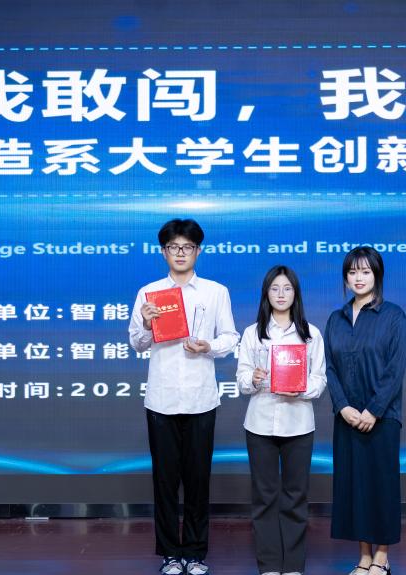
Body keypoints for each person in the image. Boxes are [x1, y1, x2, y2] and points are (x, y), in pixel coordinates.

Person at [129, 219, 239, 575]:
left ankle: (195, 553)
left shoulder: (215, 291)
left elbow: (231, 337)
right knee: (164, 481)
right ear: (163, 252)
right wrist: (147, 324)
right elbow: (136, 343)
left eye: (187, 247)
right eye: (174, 247)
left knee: (197, 479)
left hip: (200, 398)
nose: (180, 253)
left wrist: (209, 346)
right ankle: (169, 554)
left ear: (198, 251)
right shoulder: (148, 293)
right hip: (161, 398)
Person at [324, 247, 406, 575]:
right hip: (347, 417)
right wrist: (343, 406)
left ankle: (382, 557)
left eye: (365, 271)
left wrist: (373, 410)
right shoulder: (336, 319)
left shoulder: (394, 316)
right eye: (352, 272)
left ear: (377, 275)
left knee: (381, 486)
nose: (358, 278)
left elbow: (395, 370)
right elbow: (329, 368)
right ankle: (363, 556)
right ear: (345, 278)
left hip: (382, 417)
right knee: (355, 487)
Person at [236, 265, 327, 575]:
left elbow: (320, 380)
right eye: (274, 288)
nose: (280, 294)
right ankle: (269, 565)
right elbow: (241, 379)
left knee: (295, 496)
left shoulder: (311, 333)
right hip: (259, 424)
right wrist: (254, 378)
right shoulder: (253, 333)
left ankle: (293, 566)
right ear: (266, 294)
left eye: (287, 288)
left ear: (295, 293)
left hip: (298, 423)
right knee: (264, 497)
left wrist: (299, 388)